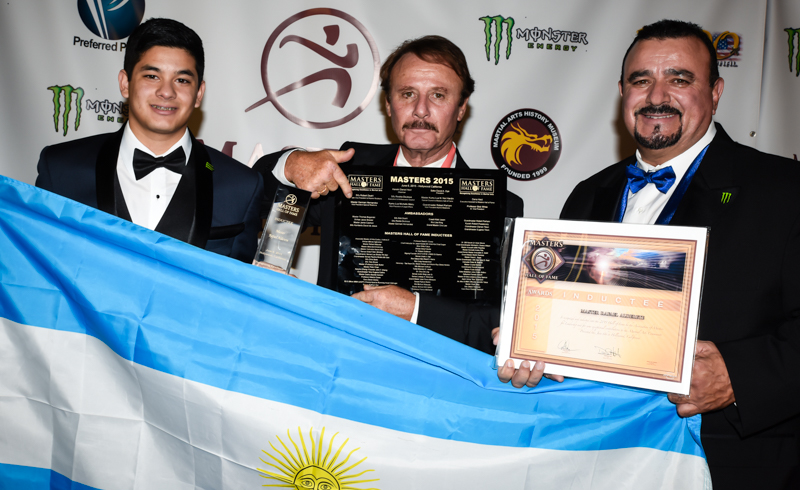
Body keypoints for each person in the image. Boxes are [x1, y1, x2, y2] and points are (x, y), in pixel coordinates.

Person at [499, 19, 800, 490]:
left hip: (731, 485)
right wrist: (530, 340)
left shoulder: (785, 190)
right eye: (641, 80)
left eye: (679, 79)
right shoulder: (587, 194)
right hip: (594, 478)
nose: (657, 96)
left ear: (716, 91)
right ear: (622, 92)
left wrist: (738, 377)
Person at [254, 36, 523, 353]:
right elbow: (249, 195)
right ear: (388, 104)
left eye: (438, 95)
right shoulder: (346, 170)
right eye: (407, 94)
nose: (421, 110)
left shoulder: (501, 205)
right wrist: (291, 163)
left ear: (462, 107)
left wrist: (416, 309)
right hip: (339, 364)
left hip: (439, 380)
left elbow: (495, 325)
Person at [36, 18, 263, 262]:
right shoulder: (60, 168)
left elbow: (238, 289)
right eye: (152, 76)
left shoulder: (241, 187)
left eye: (182, 80)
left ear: (199, 94)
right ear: (125, 83)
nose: (166, 92)